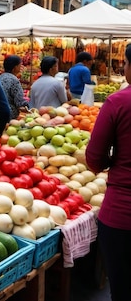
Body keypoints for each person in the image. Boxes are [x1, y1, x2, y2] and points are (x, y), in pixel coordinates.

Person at [85, 43, 131, 301]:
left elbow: (93, 159)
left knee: (123, 290)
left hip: (123, 214)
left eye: (124, 63)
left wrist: (113, 160)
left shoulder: (118, 102)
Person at [0, 55, 30, 120]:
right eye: (19, 65)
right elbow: (19, 102)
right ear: (15, 67)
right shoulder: (14, 80)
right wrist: (29, 106)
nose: (21, 67)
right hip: (9, 115)